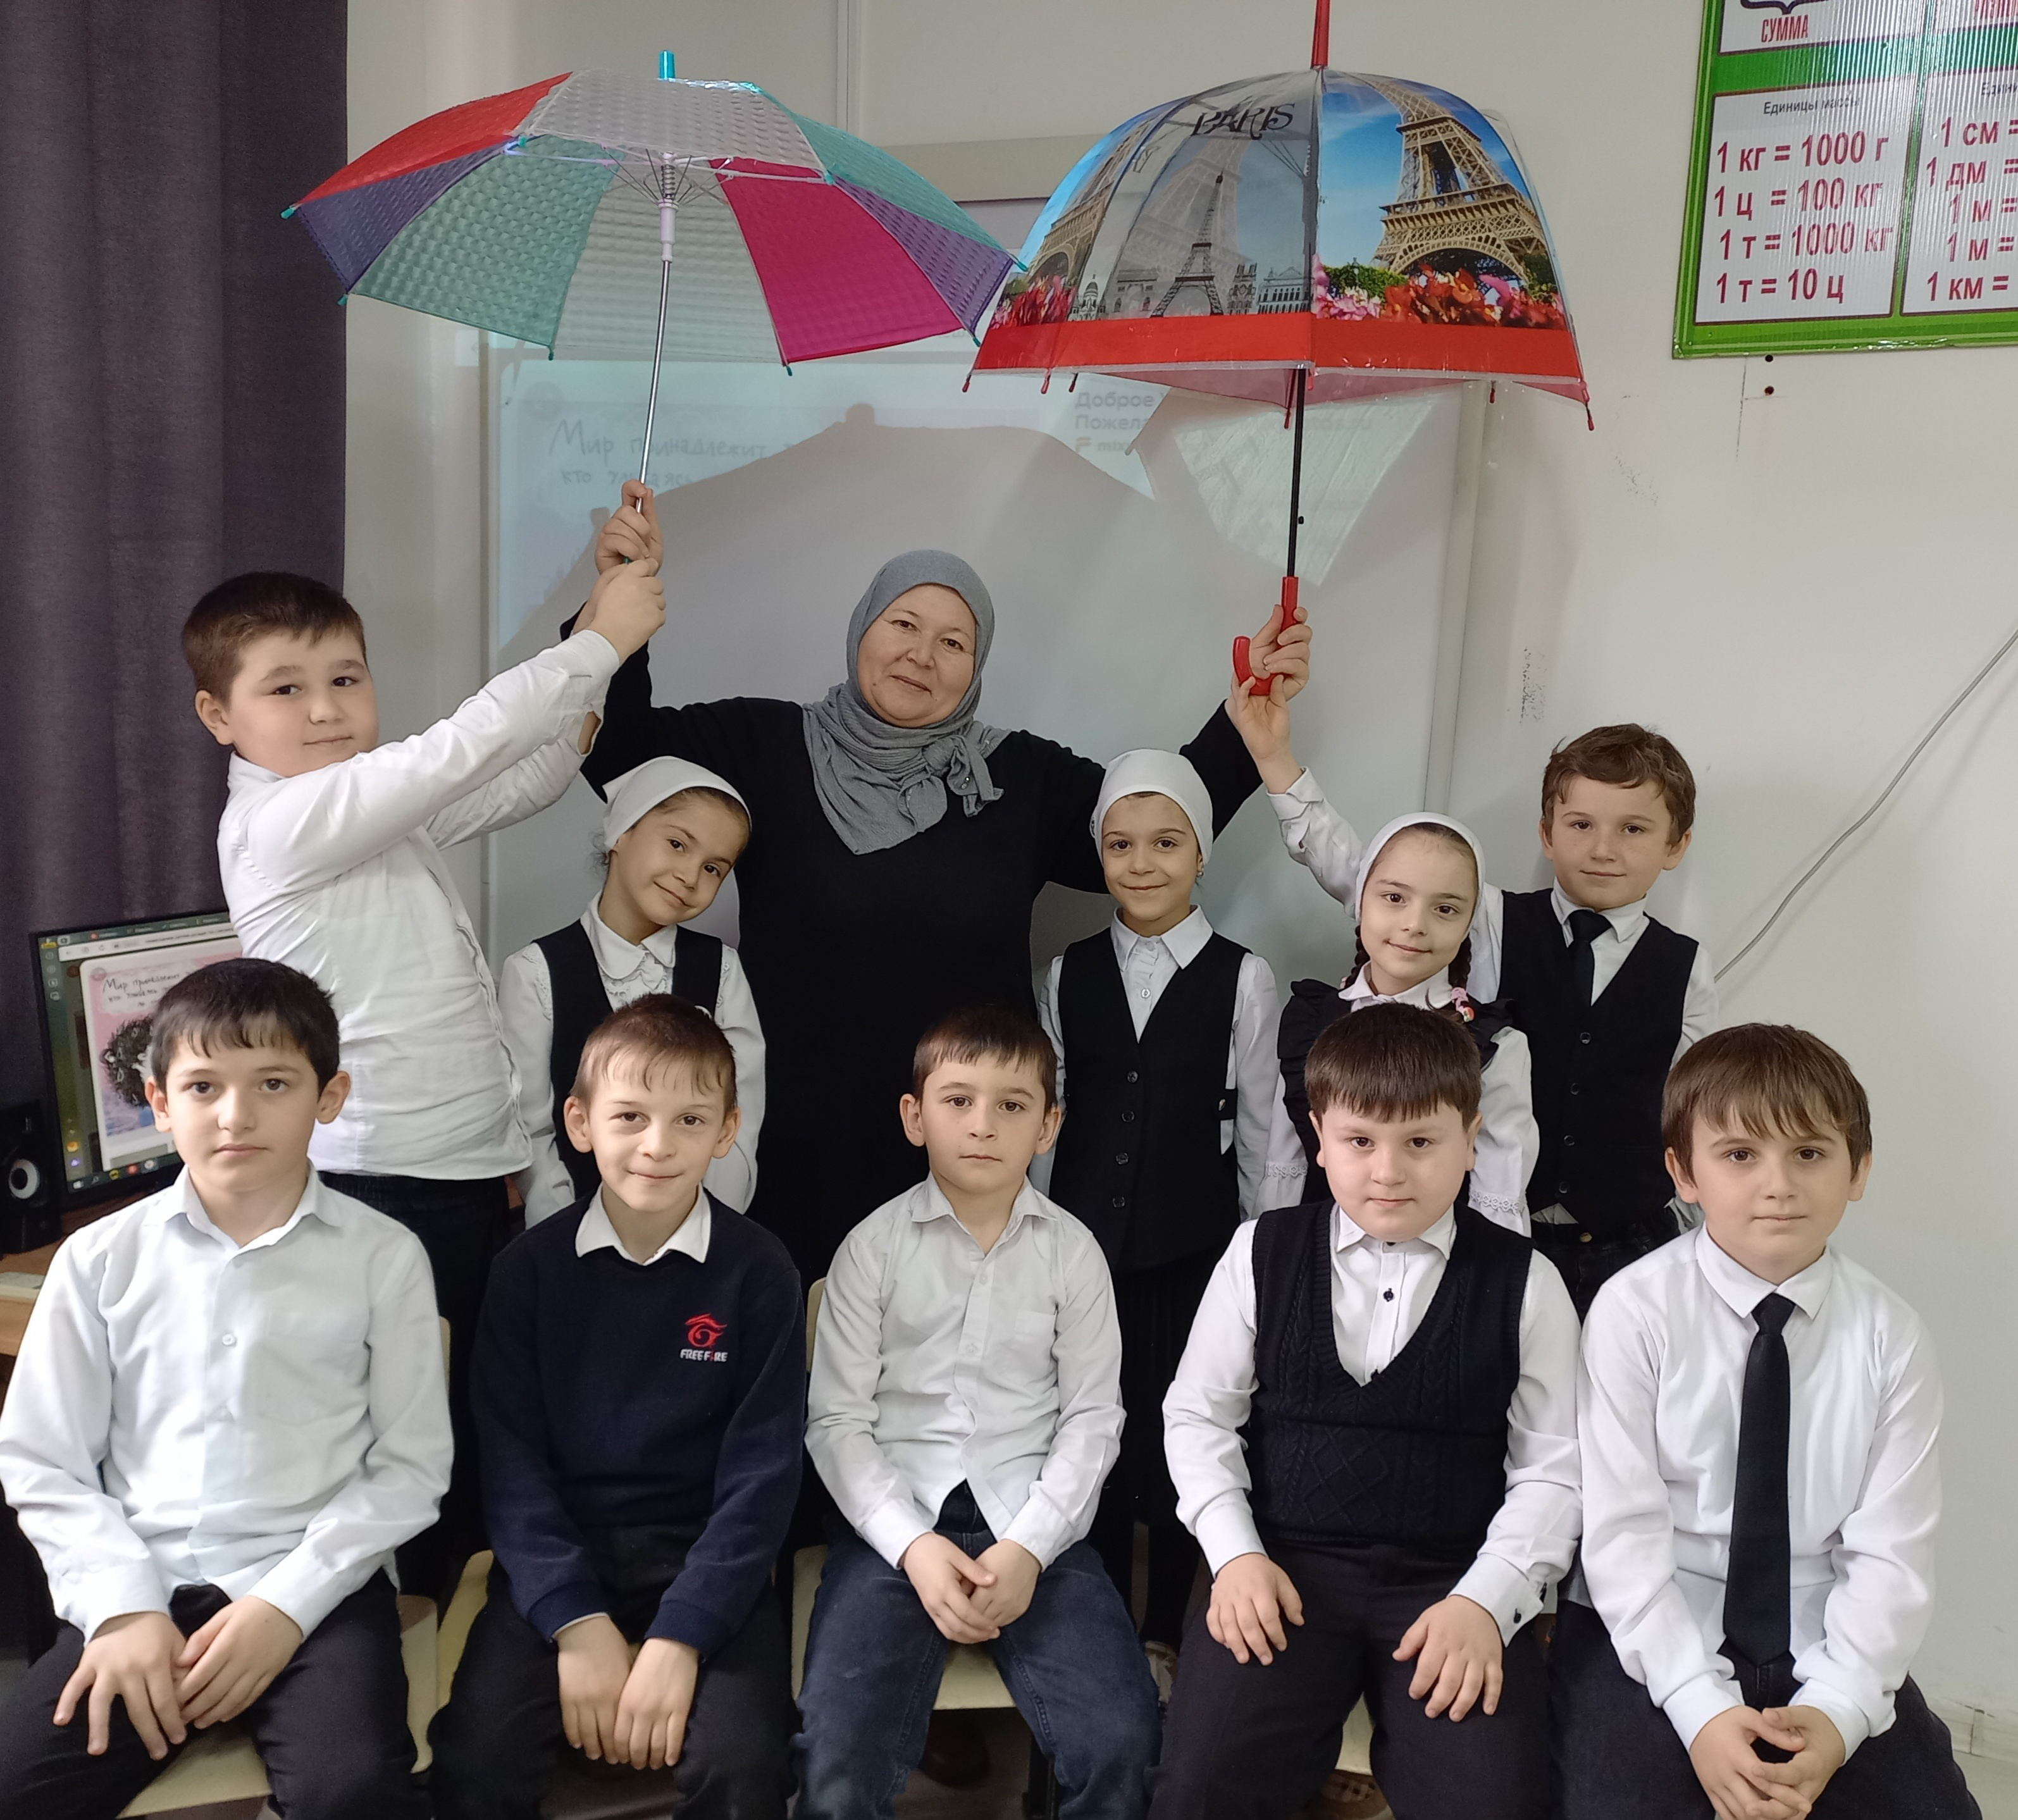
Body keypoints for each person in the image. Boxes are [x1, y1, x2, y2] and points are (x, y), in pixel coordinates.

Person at [579, 484, 1311, 1279]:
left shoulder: (1019, 777)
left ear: (977, 664)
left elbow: (1153, 823)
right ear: (863, 626)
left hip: (969, 1148)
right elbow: (622, 758)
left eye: (953, 642)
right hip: (790, 1146)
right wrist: (617, 607)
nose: (921, 656)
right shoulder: (766, 744)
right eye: (902, 624)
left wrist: (1245, 718)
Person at [184, 533, 664, 1582]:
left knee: (473, 1422)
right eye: (286, 688)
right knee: (414, 1440)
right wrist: (595, 647)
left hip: (465, 1174)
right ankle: (400, 1638)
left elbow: (525, 773)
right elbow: (455, 750)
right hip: (384, 1180)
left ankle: (472, 1625)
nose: (326, 709)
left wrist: (601, 627)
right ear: (220, 715)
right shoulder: (282, 821)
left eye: (345, 678)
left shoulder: (361, 804)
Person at [0, 959, 451, 1820]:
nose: (235, 1115)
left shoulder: (384, 1257)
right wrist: (121, 1610)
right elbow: (45, 1461)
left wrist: (285, 1606)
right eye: (203, 1086)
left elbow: (410, 1467)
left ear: (329, 1096)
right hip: (143, 1580)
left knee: (353, 1790)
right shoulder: (98, 1261)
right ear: (159, 1102)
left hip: (317, 1588)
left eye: (273, 1083)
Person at [1151, 1004, 1580, 1820]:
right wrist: (1233, 1555)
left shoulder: (1528, 1282)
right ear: (1319, 1137)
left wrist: (1485, 1600)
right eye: (1359, 1141)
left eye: (1420, 1142)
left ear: (1471, 1139)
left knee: (1496, 1803)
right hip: (1277, 1568)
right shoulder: (1259, 1253)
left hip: (1450, 1581)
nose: (1387, 1171)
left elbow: (1555, 1471)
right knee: (1199, 1787)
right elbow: (1198, 1418)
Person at [1557, 1024, 1979, 1820]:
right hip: (1652, 1620)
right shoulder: (1633, 1313)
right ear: (1683, 1174)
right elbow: (1622, 1538)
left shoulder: (1891, 1337)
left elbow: (1889, 1558)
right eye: (1740, 1154)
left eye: (1809, 1153)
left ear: (1859, 1169)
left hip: (1818, 1624)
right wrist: (1699, 1708)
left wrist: (1836, 1713)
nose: (1777, 1185)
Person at [430, 995, 803, 1820]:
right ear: (579, 1121)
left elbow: (762, 1477)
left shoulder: (759, 1271)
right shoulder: (527, 1271)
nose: (657, 1144)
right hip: (560, 1550)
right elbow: (511, 1469)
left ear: (726, 1131)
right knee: (476, 1762)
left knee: (745, 1765)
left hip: (707, 1555)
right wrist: (577, 1622)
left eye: (689, 1119)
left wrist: (682, 1635)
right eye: (630, 1115)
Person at [798, 1006, 1160, 1820]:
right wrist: (914, 1546)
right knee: (836, 1752)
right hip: (895, 1529)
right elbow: (837, 1424)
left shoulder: (1073, 1254)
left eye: (1012, 1105)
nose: (982, 1125)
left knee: (1123, 1739)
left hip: (1035, 1527)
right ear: (914, 1116)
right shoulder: (870, 1249)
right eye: (957, 1100)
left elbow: (1093, 1418)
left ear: (1048, 1126)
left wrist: (1029, 1548)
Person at [1238, 704, 1714, 1311]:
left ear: (1676, 845)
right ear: (1547, 833)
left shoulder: (1687, 966)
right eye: (1581, 824)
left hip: (1633, 1240)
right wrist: (1276, 761)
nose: (1603, 848)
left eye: (1634, 829)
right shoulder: (1486, 915)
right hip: (1502, 1227)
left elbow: (1694, 1107)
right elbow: (1367, 870)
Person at [1036, 748, 1304, 1691]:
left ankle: (1167, 1629)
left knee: (1183, 1427)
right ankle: (1103, 1620)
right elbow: (1050, 1116)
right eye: (1120, 845)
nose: (1141, 863)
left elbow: (1266, 1129)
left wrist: (1261, 1255)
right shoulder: (1065, 973)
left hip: (1196, 1248)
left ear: (1201, 854)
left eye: (1165, 843)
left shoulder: (1245, 977)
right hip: (1085, 1252)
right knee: (1094, 1426)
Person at [500, 755, 765, 1222]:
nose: (690, 876)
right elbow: (532, 1130)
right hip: (575, 1228)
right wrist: (565, 1229)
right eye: (677, 844)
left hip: (696, 1230)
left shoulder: (721, 969)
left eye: (713, 869)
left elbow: (738, 1116)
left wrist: (710, 1224)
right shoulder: (535, 971)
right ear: (621, 833)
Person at [1272, 810, 1537, 1236]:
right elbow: (1283, 1161)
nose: (1415, 925)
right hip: (1317, 1253)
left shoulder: (1494, 1044)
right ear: (1361, 900)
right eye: (1395, 897)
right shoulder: (1309, 1022)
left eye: (1445, 908)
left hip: (1440, 1260)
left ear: (1469, 923)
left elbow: (1500, 1190)